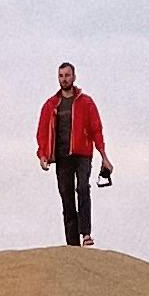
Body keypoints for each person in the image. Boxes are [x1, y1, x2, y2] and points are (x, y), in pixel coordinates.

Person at [35, 62, 111, 245]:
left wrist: (104, 156)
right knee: (66, 197)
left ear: (74, 77)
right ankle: (72, 246)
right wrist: (42, 155)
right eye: (61, 76)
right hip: (62, 158)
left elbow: (96, 129)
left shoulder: (86, 102)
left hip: (83, 153)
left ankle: (85, 233)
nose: (64, 79)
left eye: (67, 75)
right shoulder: (51, 104)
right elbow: (42, 132)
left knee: (83, 188)